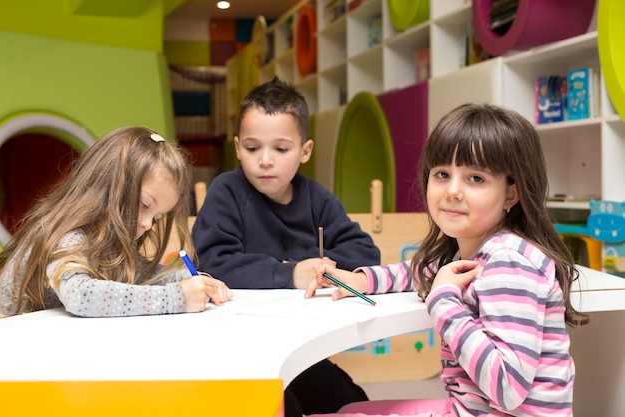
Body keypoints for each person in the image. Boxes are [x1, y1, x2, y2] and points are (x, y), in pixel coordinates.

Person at [305, 103, 589, 417]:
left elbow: (508, 388)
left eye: (476, 179)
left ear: (511, 194)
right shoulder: (473, 251)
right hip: (468, 408)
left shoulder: (509, 263)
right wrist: (358, 280)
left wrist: (443, 301)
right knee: (349, 408)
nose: (452, 191)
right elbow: (419, 272)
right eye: (442, 174)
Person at [192, 77, 379, 416]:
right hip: (237, 350)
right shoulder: (226, 192)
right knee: (283, 409)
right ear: (237, 148)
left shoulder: (317, 198)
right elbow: (215, 264)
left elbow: (366, 252)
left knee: (352, 404)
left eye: (281, 149)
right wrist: (291, 272)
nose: (265, 160)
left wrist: (324, 267)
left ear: (305, 150)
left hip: (300, 345)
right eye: (252, 148)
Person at [0, 126, 232, 318]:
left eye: (157, 217)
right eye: (144, 205)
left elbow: (141, 275)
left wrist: (194, 281)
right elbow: (82, 295)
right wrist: (177, 297)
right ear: (107, 186)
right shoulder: (67, 236)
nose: (148, 225)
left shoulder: (109, 239)